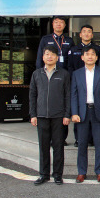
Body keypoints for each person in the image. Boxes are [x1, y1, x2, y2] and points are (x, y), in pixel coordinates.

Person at [29, 45, 71, 185]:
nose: (49, 56)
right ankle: (44, 174)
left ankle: (58, 175)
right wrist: (33, 114)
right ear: (43, 57)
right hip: (41, 116)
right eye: (47, 54)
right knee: (43, 147)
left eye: (52, 54)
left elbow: (68, 96)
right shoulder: (36, 74)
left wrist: (67, 115)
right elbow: (32, 95)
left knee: (58, 147)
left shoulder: (64, 74)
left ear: (57, 58)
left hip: (58, 116)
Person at [70, 45, 100, 183]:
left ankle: (99, 171)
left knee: (99, 143)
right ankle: (82, 172)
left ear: (96, 57)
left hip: (98, 111)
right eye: (87, 54)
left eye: (93, 54)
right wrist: (74, 112)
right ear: (82, 57)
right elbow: (73, 95)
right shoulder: (76, 74)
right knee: (82, 144)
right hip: (82, 112)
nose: (90, 56)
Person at [35, 16, 75, 145]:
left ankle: (61, 138)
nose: (58, 25)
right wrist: (40, 74)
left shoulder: (69, 40)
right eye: (56, 22)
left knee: (63, 108)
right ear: (52, 24)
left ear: (65, 25)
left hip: (64, 76)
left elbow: (72, 60)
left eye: (61, 23)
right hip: (48, 76)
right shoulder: (46, 39)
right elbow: (40, 58)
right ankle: (50, 139)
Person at [68, 24, 100, 147]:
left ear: (92, 35)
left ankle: (92, 139)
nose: (87, 34)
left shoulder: (97, 49)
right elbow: (70, 66)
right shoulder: (73, 49)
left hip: (94, 82)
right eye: (84, 32)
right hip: (78, 83)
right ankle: (79, 139)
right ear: (80, 34)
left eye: (89, 32)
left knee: (94, 117)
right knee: (79, 113)